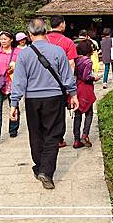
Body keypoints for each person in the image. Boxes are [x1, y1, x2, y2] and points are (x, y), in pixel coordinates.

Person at [9, 18, 78, 190]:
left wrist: (14, 103)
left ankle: (39, 166)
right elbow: (67, 77)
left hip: (32, 100)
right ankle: (45, 171)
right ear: (46, 32)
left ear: (30, 35)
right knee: (53, 134)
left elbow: (18, 81)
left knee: (36, 133)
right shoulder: (58, 51)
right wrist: (73, 94)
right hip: (54, 98)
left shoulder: (23, 54)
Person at [46, 15, 78, 148]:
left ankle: (47, 137)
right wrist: (70, 85)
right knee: (59, 112)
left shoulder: (43, 40)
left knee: (46, 111)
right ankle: (59, 139)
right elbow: (71, 64)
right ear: (62, 25)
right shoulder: (68, 42)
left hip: (42, 82)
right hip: (60, 83)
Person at [73, 41, 100, 149]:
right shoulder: (88, 62)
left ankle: (76, 140)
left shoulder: (77, 60)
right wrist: (95, 78)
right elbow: (86, 77)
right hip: (86, 89)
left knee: (77, 115)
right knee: (89, 113)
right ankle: (85, 134)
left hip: (77, 88)